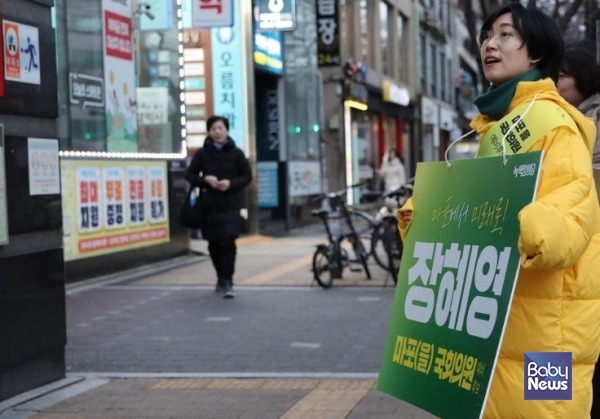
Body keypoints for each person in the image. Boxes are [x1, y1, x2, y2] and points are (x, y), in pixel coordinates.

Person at [398, 3, 600, 418]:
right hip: (497, 325)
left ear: (537, 53)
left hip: (551, 332)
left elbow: (575, 211)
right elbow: (477, 214)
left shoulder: (553, 123)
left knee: (548, 409)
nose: (490, 43)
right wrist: (424, 217)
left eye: (505, 35)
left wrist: (537, 225)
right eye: (487, 36)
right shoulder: (492, 127)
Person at [557, 40, 600, 418]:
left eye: (562, 74)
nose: (554, 81)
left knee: (557, 389)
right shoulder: (557, 120)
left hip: (571, 278)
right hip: (557, 289)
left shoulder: (583, 126)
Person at [185, 115, 252, 299]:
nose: (217, 132)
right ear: (209, 132)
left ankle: (228, 279)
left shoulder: (237, 153)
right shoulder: (202, 153)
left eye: (220, 128)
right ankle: (220, 277)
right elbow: (190, 175)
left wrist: (230, 183)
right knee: (214, 243)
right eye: (213, 128)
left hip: (230, 204)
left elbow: (247, 176)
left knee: (228, 242)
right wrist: (205, 180)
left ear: (226, 130)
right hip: (209, 205)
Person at [557, 40, 600, 165]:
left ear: (584, 77)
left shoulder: (596, 116)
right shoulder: (558, 112)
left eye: (561, 76)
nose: (554, 83)